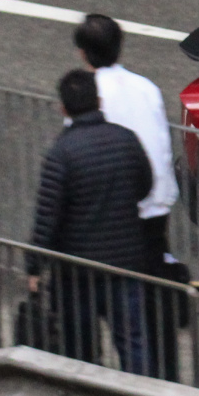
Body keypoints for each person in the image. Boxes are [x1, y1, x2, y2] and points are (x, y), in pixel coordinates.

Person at [75, 14, 182, 380]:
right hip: (157, 207)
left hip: (115, 215)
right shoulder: (146, 87)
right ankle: (165, 377)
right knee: (155, 298)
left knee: (107, 301)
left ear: (82, 51)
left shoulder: (89, 93)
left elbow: (80, 159)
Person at [28, 69, 154, 375]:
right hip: (124, 264)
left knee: (80, 348)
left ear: (63, 108)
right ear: (99, 101)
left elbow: (48, 219)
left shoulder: (61, 153)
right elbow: (145, 186)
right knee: (133, 342)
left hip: (77, 272)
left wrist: (34, 267)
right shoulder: (126, 139)